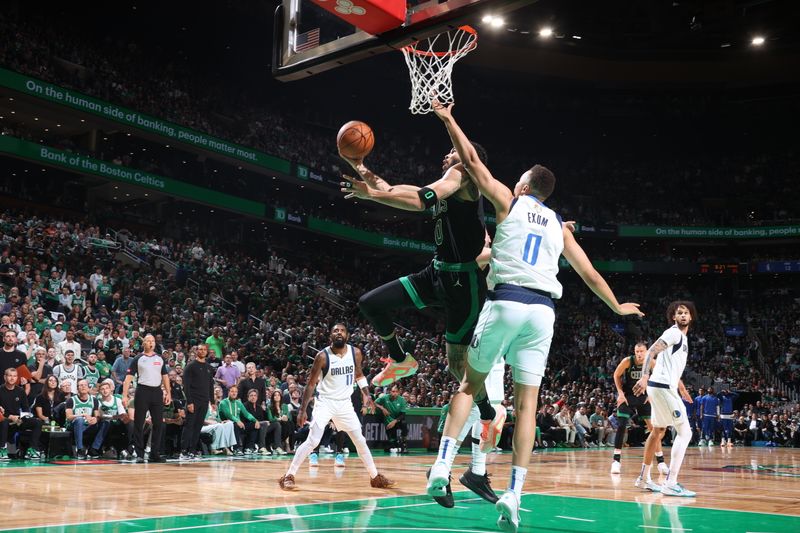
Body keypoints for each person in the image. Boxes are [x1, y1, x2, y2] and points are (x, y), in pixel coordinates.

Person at [426, 100, 643, 533]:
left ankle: (441, 465)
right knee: (527, 408)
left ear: (524, 185)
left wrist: (449, 118)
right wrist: (618, 306)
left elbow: (470, 160)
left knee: (470, 383)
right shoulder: (560, 225)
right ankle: (514, 495)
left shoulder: (508, 200)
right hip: (543, 313)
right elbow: (589, 272)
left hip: (507, 298)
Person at [279, 323, 394, 490]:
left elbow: (359, 375)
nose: (339, 333)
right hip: (325, 402)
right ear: (330, 336)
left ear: (347, 335)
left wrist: (367, 394)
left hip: (345, 403)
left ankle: (375, 477)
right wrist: (302, 410)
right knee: (313, 440)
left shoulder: (355, 353)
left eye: (342, 330)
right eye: (335, 331)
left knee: (360, 440)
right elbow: (311, 384)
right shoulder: (322, 356)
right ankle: (288, 476)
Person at [633, 301, 697, 497]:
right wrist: (644, 376)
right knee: (685, 432)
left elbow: (671, 367)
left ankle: (644, 478)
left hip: (662, 387)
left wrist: (682, 388)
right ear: (674, 318)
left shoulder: (683, 339)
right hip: (661, 387)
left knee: (657, 431)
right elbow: (652, 351)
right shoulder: (674, 333)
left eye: (686, 313)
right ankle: (671, 482)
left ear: (691, 317)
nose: (683, 315)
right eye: (679, 313)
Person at [610, 343, 669, 475]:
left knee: (654, 429)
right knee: (622, 425)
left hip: (644, 397)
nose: (639, 354)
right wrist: (620, 393)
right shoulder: (627, 361)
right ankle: (616, 461)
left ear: (647, 351)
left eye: (642, 351)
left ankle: (661, 462)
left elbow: (660, 379)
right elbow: (616, 375)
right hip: (628, 396)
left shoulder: (652, 363)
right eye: (637, 351)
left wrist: (651, 394)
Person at [122, 334, 171, 463]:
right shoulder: (138, 358)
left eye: (153, 341)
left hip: (156, 391)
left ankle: (154, 453)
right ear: (143, 343)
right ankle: (139, 453)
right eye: (148, 341)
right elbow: (128, 378)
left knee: (158, 424)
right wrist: (124, 395)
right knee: (139, 423)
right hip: (142, 391)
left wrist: (168, 393)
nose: (151, 343)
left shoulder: (160, 358)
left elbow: (165, 376)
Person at [180, 343, 215, 460]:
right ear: (196, 351)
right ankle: (183, 451)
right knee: (189, 426)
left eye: (205, 349)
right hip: (193, 400)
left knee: (198, 427)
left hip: (204, 401)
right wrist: (189, 402)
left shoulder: (209, 368)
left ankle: (192, 451)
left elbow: (211, 385)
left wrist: (213, 401)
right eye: (200, 349)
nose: (202, 351)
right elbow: (186, 386)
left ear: (207, 352)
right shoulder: (190, 366)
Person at [0, 367, 43, 459]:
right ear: (5, 377)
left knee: (37, 422)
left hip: (17, 420)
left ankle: (32, 449)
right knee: (4, 422)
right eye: (10, 376)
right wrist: (10, 416)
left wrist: (21, 418)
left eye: (15, 376)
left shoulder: (20, 391)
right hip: (3, 419)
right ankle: (2, 449)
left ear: (17, 378)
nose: (12, 378)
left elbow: (26, 409)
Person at [65, 378, 110, 458]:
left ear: (89, 388)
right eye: (81, 385)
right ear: (77, 388)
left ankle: (94, 449)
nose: (83, 387)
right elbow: (69, 417)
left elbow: (97, 415)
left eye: (85, 385)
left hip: (88, 425)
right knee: (79, 420)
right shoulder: (71, 400)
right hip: (74, 425)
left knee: (106, 423)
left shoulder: (94, 400)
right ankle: (80, 449)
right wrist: (82, 415)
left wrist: (95, 419)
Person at [218, 384, 259, 455]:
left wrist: (255, 420)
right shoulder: (223, 403)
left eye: (236, 392)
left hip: (238, 424)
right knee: (235, 424)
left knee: (254, 425)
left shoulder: (238, 403)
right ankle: (236, 449)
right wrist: (237, 420)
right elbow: (228, 415)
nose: (234, 393)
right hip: (226, 425)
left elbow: (247, 414)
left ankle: (249, 448)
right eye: (232, 391)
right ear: (228, 392)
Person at [375, 385, 408, 453]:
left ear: (398, 392)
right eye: (393, 391)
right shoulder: (384, 398)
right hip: (388, 421)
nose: (394, 393)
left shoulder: (402, 400)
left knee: (404, 424)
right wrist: (382, 408)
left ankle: (403, 443)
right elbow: (375, 403)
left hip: (397, 421)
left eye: (396, 392)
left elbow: (403, 415)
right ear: (390, 392)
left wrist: (394, 422)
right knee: (393, 443)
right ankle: (393, 444)